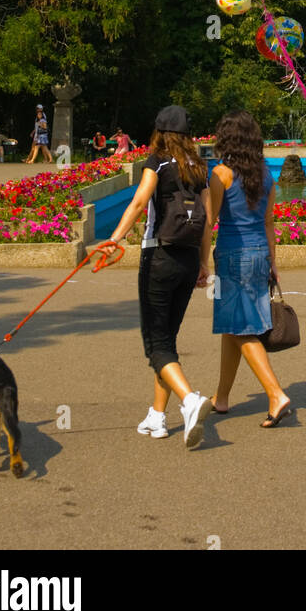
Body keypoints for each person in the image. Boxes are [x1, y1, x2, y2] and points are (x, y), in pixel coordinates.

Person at [106, 104, 221, 448]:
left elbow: (140, 201)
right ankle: (157, 417)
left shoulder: (157, 161)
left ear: (160, 132)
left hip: (158, 256)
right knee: (167, 340)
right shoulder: (199, 168)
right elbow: (208, 219)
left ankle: (189, 400)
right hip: (187, 261)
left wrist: (113, 240)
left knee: (155, 344)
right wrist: (204, 264)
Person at [208, 111, 293, 428]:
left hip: (232, 257)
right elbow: (270, 222)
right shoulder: (266, 174)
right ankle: (222, 397)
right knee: (232, 327)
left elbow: (211, 219)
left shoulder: (221, 174)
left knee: (240, 327)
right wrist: (273, 262)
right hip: (259, 255)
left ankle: (275, 393)